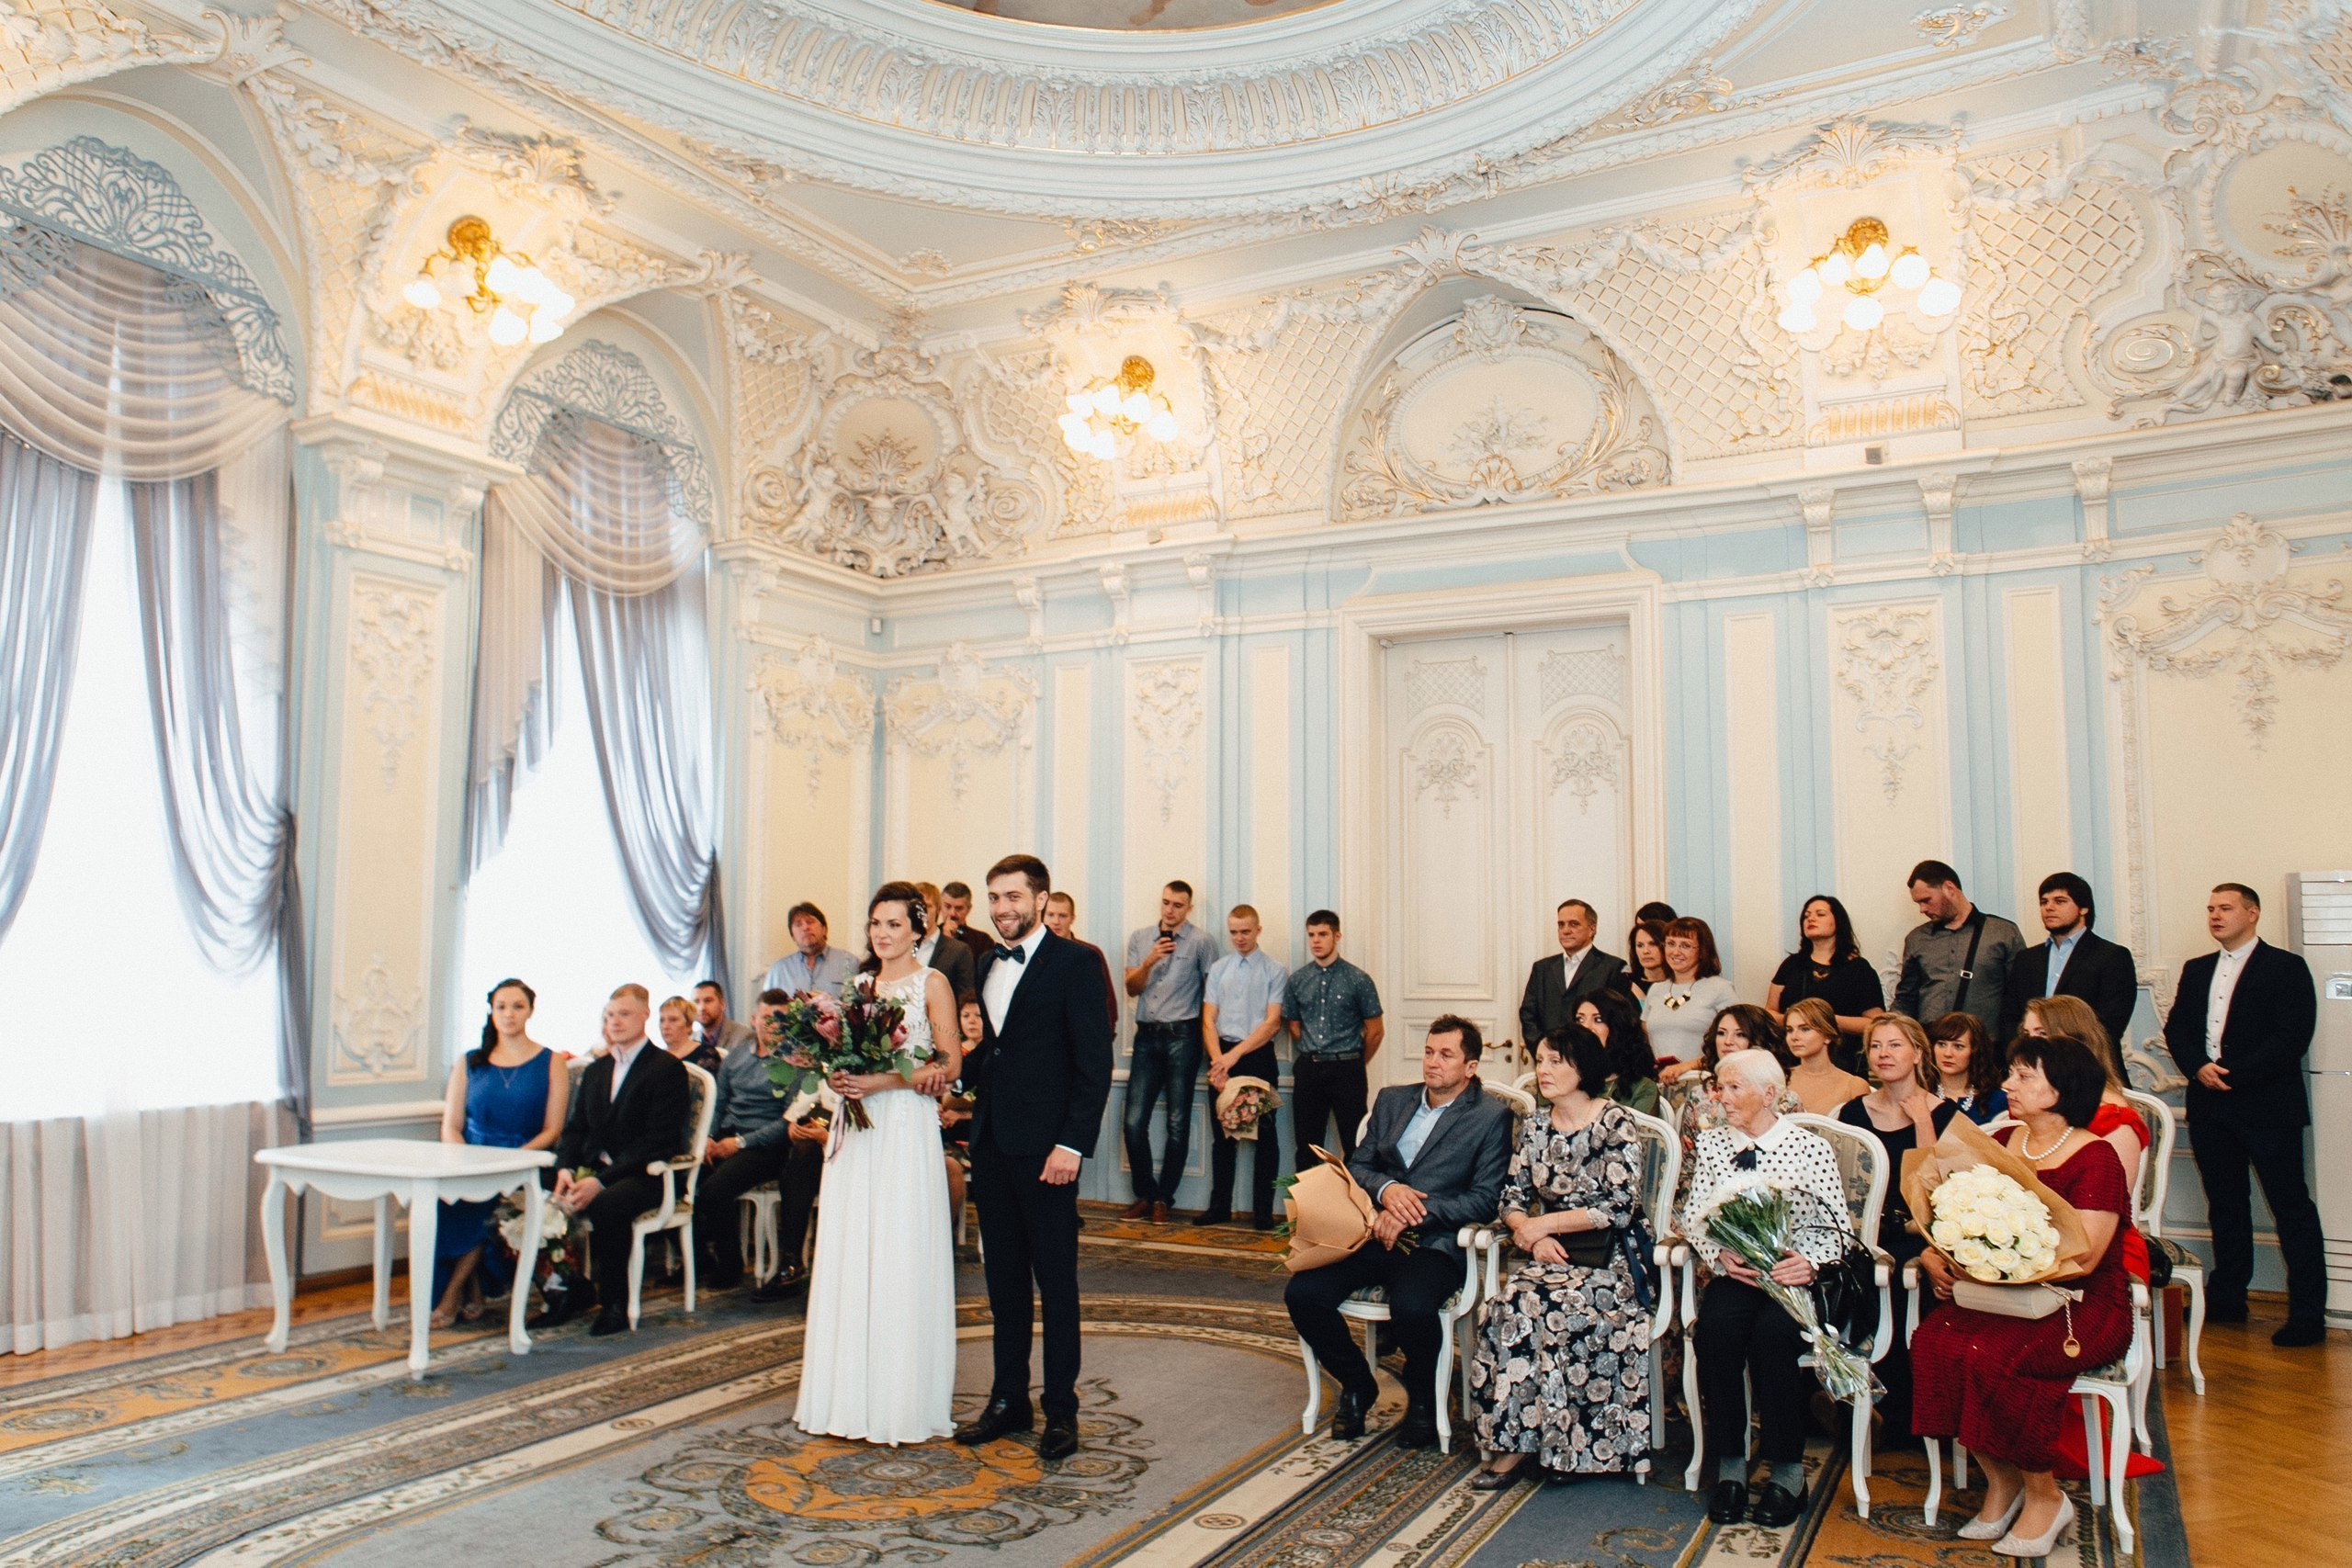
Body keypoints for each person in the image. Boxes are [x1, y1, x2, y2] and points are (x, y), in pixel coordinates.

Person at [1912, 1035, 2137, 1555]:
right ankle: (2002, 1481)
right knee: (1935, 1342)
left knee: (1998, 1357)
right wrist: (1941, 1253)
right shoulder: (2005, 1140)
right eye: (2011, 1073)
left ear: (2061, 1090)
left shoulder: (2097, 1157)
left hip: (2081, 1306)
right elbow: (1952, 1214)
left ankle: (2045, 1496)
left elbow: (2086, 1258)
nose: (2008, 1084)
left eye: (2024, 1076)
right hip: (2007, 1296)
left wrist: (1998, 1263)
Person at [955, 855, 1115, 1461]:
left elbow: (1093, 1064)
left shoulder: (1077, 962)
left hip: (1049, 1152)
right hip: (992, 1144)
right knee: (1003, 1283)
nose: (1002, 908)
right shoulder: (986, 962)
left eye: (1013, 896)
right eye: (994, 897)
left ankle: (1061, 1410)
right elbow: (995, 1051)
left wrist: (1071, 1145)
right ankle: (1008, 1399)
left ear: (1041, 899)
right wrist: (944, 1074)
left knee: (1057, 1284)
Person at [1287, 1017, 1511, 1447]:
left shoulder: (1490, 1117)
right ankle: (1358, 1384)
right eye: (1428, 1052)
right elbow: (1358, 1166)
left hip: (1435, 1242)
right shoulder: (1392, 1100)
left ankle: (1423, 1400)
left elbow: (1486, 1199)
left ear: (1470, 1067)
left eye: (1446, 1055)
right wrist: (1387, 1190)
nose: (1432, 1062)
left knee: (1412, 1306)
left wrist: (1413, 1214)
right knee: (1303, 1294)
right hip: (1372, 1234)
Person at [794, 882, 963, 1445]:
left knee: (897, 1247)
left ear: (917, 929)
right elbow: (842, 1053)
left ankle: (898, 1400)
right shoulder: (857, 986)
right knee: (853, 1247)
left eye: (894, 924)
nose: (883, 933)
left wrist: (881, 1081)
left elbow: (949, 1063)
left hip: (904, 1128)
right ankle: (847, 1396)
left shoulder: (932, 983)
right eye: (875, 923)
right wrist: (837, 1072)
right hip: (856, 1127)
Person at [1466, 1025, 1653, 1487]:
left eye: (1555, 1061)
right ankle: (1515, 1445)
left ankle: (1569, 1450)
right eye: (1540, 1061)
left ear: (1582, 1068)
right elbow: (1511, 1198)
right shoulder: (1535, 1126)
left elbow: (1620, 1206)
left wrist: (1545, 1225)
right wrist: (1530, 1236)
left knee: (1557, 1307)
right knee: (1508, 1305)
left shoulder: (1615, 1122)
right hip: (1552, 1254)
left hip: (1612, 1257)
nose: (1542, 1071)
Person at [1681, 1049, 1851, 1528]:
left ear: (1769, 1094)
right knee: (1716, 1331)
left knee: (1774, 1338)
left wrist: (1809, 1265)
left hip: (1790, 1276)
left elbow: (1836, 1228)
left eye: (1734, 1088)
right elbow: (1694, 1216)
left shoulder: (1809, 1147)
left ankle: (1788, 1472)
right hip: (1739, 1274)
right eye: (1720, 1087)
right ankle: (1731, 1467)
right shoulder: (1712, 1144)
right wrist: (1718, 1254)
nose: (1722, 1097)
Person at [2161, 883, 2324, 1345]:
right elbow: (2177, 1029)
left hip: (2268, 1106)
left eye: (2226, 908)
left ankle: (2307, 1315)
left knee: (2291, 1208)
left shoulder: (2286, 967)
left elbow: (2293, 1035)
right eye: (2211, 908)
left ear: (2252, 914)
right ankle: (2229, 1299)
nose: (2215, 915)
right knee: (2226, 1205)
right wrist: (2198, 1067)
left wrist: (2234, 1074)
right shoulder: (2197, 969)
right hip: (2210, 1106)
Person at [541, 986, 692, 1337]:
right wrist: (565, 1169)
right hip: (598, 1168)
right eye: (610, 1015)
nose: (615, 1021)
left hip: (648, 1174)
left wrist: (601, 1181)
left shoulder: (666, 1068)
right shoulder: (596, 1070)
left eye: (624, 1014)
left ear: (644, 1016)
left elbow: (659, 1141)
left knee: (607, 1204)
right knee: (536, 1185)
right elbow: (576, 1129)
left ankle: (614, 1306)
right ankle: (566, 1291)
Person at [1841, 1014, 1959, 1446]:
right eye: (1876, 1046)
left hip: (1918, 1232)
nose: (1883, 1054)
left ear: (1917, 1054)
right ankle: (1851, 1399)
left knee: (1897, 1276)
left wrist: (1922, 1121)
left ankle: (1897, 1414)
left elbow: (1936, 1193)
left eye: (1894, 1045)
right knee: (1852, 1272)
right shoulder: (1854, 1111)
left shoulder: (1943, 1114)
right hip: (1864, 1231)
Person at [431, 978, 568, 1327]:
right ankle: (473, 1290)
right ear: (491, 1012)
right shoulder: (469, 1061)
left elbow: (552, 1130)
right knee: (449, 1202)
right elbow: (451, 1125)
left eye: (517, 1007)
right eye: (501, 1007)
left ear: (530, 1011)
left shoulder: (551, 1061)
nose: (509, 1014)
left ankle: (452, 1295)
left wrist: (513, 1160)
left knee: (485, 1208)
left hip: (524, 1162)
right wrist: (465, 1161)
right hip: (470, 1162)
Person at [693, 989, 820, 1293]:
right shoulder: (736, 1057)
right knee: (687, 1178)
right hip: (727, 1136)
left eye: (781, 1018)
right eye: (766, 1018)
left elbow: (787, 1121)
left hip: (766, 1145)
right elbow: (718, 1103)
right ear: (754, 1020)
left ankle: (730, 1265)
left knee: (714, 1190)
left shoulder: (796, 1061)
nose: (773, 1025)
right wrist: (708, 1138)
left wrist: (740, 1143)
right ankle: (697, 1260)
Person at [1122, 880, 1218, 1224]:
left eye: (1178, 905)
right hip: (1146, 1037)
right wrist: (1149, 960)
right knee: (1134, 1122)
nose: (1169, 910)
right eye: (1165, 902)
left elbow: (1211, 995)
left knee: (1178, 1123)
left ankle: (1164, 1198)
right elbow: (1131, 988)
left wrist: (1210, 1044)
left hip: (1184, 1036)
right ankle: (1146, 1194)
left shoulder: (1202, 942)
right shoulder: (1140, 938)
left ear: (1189, 908)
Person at [1199, 903, 1288, 1228]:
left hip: (1256, 1056)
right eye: (1234, 932)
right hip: (1220, 1055)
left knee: (1265, 1136)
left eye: (1246, 931)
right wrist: (1218, 1061)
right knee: (1223, 1136)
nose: (1239, 937)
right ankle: (1220, 1207)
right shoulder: (1219, 968)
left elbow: (1272, 1023)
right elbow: (1208, 1019)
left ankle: (1263, 1213)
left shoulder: (1274, 970)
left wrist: (1231, 1057)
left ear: (1258, 930)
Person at [1282, 909, 1385, 1170]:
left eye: (1323, 934)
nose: (1316, 941)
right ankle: (1309, 1198)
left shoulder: (1358, 980)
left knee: (1355, 1142)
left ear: (1337, 936)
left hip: (1347, 1068)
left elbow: (1375, 1031)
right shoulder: (1298, 980)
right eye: (1311, 935)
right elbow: (1294, 1025)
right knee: (1307, 1145)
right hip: (1309, 1068)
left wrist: (1355, 1061)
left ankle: (1354, 1197)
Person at [2005, 872, 2138, 1052]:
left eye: (2059, 901)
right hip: (2032, 1059)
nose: (2049, 908)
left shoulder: (2112, 956)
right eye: (2044, 902)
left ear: (2083, 908)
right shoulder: (2026, 959)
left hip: (2089, 1061)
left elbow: (2111, 1024)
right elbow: (2011, 1017)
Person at [1893, 861, 2024, 1039]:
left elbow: (2019, 997)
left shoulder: (2004, 932)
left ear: (1949, 888)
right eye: (1918, 903)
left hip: (1985, 1046)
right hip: (1931, 1044)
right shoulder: (1916, 939)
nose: (1922, 909)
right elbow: (1905, 999)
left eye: (1926, 900)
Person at [1766, 894, 1884, 1068]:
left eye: (1820, 914)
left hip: (1841, 1060)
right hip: (1792, 1058)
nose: (1811, 919)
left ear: (1838, 922)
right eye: (1806, 916)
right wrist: (1795, 1021)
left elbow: (1874, 1023)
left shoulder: (1858, 968)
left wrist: (1823, 1020)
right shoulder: (1791, 965)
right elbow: (1769, 1012)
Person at [1518, 898, 1628, 1049]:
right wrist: (1545, 1050)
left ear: (1592, 928)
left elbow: (1618, 1021)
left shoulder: (1613, 967)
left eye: (1574, 924)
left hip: (1594, 1057)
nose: (1565, 930)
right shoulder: (1542, 968)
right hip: (1550, 1056)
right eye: (1561, 925)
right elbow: (1528, 1015)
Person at [1644, 917, 1739, 1077]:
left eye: (1685, 946)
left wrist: (1688, 1066)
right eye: (1671, 944)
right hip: (1661, 1081)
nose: (1676, 952)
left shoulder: (1721, 988)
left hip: (1704, 1079)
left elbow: (1736, 1044)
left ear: (1702, 951)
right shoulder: (1656, 989)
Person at [1573, 988, 1659, 1113]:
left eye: (1598, 1020)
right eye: (1580, 1019)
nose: (1585, 1027)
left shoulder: (1642, 1088)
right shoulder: (1560, 1080)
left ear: (1617, 1028)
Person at [1044, 889, 1120, 1029]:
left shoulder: (1090, 954)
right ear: (1042, 916)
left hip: (1082, 1034)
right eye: (1050, 915)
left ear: (1072, 918)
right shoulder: (1034, 955)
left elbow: (1107, 1002)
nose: (1056, 921)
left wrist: (1106, 1034)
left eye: (1062, 916)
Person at [1783, 997, 1869, 1115]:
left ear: (1827, 1036)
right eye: (1789, 1030)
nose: (1794, 1037)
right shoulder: (1780, 1079)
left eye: (1805, 1029)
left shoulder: (1854, 1086)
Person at [763, 901, 858, 998]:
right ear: (793, 936)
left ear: (824, 929)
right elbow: (766, 1006)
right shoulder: (778, 971)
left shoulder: (850, 962)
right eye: (798, 924)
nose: (805, 927)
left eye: (810, 922)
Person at [1927, 1011, 2007, 1122]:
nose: (1947, 1053)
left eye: (1958, 1046)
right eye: (1941, 1044)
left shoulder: (1998, 1100)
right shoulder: (1921, 1096)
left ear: (1975, 1051)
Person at [910, 882, 978, 999]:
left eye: (927, 906)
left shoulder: (960, 949)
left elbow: (966, 996)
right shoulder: (900, 945)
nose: (921, 912)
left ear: (938, 909)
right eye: (917, 906)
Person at [658, 995, 723, 1077]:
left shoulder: (706, 1054)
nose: (665, 1026)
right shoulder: (656, 1059)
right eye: (662, 1020)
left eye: (673, 1020)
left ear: (689, 1025)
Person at [692, 980, 757, 1061]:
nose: (701, 1008)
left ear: (722, 1004)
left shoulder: (744, 1037)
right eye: (696, 1002)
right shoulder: (690, 1039)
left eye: (708, 1001)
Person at [941, 880, 994, 964]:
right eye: (947, 906)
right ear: (940, 906)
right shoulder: (930, 935)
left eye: (959, 908)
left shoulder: (983, 941)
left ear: (968, 909)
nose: (952, 913)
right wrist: (944, 940)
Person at [1624, 918, 1671, 1003]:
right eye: (1640, 945)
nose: (1645, 951)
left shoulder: (1682, 984)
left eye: (1653, 944)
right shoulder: (1625, 982)